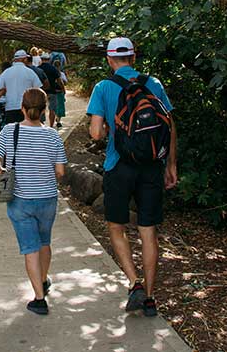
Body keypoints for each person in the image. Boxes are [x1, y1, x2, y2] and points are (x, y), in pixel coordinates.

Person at [86, 37, 178, 318]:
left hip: (118, 166)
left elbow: (96, 133)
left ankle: (134, 281)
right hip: (152, 166)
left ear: (109, 60)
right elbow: (170, 126)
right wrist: (171, 164)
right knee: (148, 231)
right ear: (134, 57)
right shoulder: (154, 84)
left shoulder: (103, 87)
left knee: (117, 226)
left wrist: (112, 128)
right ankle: (149, 298)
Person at [0, 88, 67, 316]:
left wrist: (3, 171)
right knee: (44, 242)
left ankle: (39, 299)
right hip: (47, 198)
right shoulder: (53, 135)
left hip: (20, 200)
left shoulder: (9, 131)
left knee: (30, 249)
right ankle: (43, 279)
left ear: (22, 108)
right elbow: (60, 171)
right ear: (44, 110)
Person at [0, 50, 42, 125]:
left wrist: (5, 90)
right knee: (26, 129)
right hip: (26, 107)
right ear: (24, 59)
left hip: (10, 107)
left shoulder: (7, 72)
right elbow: (38, 89)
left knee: (12, 130)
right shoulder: (30, 72)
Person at [38, 52, 60, 128]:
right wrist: (62, 88)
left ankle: (41, 125)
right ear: (49, 59)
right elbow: (59, 80)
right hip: (52, 91)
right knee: (52, 110)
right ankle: (51, 126)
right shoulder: (53, 68)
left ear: (41, 59)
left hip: (41, 91)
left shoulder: (38, 69)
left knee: (41, 108)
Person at [0, 61, 12, 130]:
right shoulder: (12, 77)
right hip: (10, 102)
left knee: (2, 123)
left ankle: (2, 135)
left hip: (0, 102)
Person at [54, 60, 68, 128]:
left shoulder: (52, 72)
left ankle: (57, 119)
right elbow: (65, 82)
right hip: (60, 91)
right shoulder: (61, 74)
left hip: (54, 92)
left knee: (54, 106)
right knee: (60, 106)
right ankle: (58, 120)